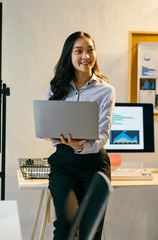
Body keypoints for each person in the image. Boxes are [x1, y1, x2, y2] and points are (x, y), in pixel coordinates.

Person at [44, 31, 115, 240]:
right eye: (79, 51)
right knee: (65, 227)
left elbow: (103, 135)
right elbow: (48, 124)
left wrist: (80, 146)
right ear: (70, 55)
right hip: (64, 163)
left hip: (94, 164)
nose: (86, 56)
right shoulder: (55, 87)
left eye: (90, 50)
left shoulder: (106, 90)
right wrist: (54, 136)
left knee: (91, 231)